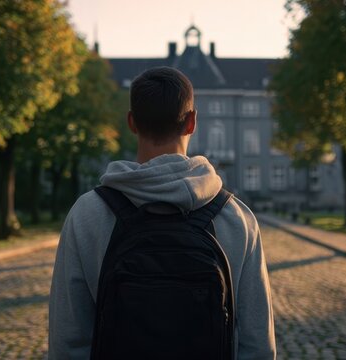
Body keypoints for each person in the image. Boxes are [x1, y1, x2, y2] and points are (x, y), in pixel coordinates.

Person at [48, 66, 275, 359]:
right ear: (191, 122)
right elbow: (258, 345)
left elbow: (68, 340)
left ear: (132, 122)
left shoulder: (88, 214)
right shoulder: (236, 218)